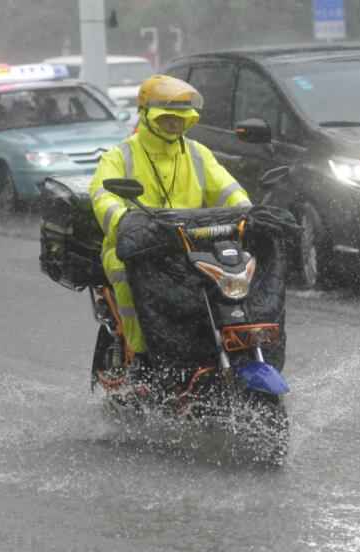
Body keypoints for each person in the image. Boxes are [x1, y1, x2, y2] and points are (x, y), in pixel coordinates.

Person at [89, 75, 251, 364]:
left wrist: (249, 214)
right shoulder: (120, 156)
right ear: (147, 116)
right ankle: (141, 354)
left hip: (194, 243)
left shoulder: (197, 153)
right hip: (139, 247)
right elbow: (103, 196)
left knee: (238, 270)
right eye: (167, 118)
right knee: (126, 273)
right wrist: (125, 225)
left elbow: (228, 189)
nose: (175, 124)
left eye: (182, 118)